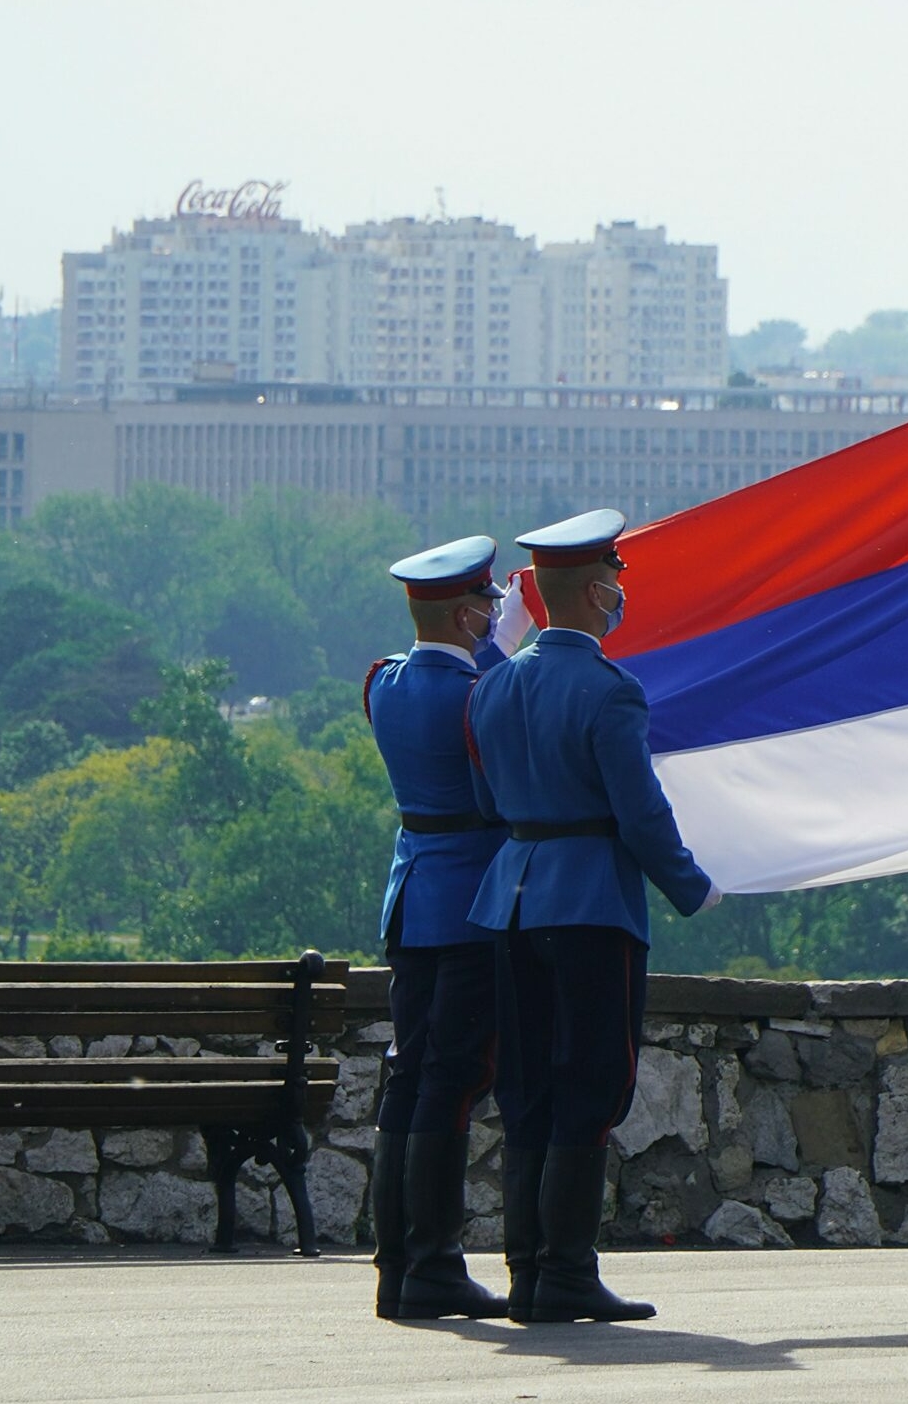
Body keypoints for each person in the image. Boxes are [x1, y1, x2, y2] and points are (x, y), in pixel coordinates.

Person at [464, 508, 722, 1324]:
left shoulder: (493, 685)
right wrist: (691, 885)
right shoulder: (611, 690)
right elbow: (640, 813)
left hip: (512, 898)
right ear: (597, 590)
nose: (619, 593)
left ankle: (528, 1272)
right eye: (615, 580)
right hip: (590, 903)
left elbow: (486, 801)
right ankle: (568, 1271)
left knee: (527, 1088)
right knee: (592, 1082)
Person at [363, 535, 514, 1320]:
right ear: (466, 614)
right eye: (487, 604)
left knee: (409, 1077)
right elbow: (498, 795)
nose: (495, 613)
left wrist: (487, 646)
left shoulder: (382, 684)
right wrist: (502, 653)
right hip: (468, 904)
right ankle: (434, 1263)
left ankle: (397, 1266)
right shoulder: (481, 694)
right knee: (451, 1082)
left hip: (412, 897)